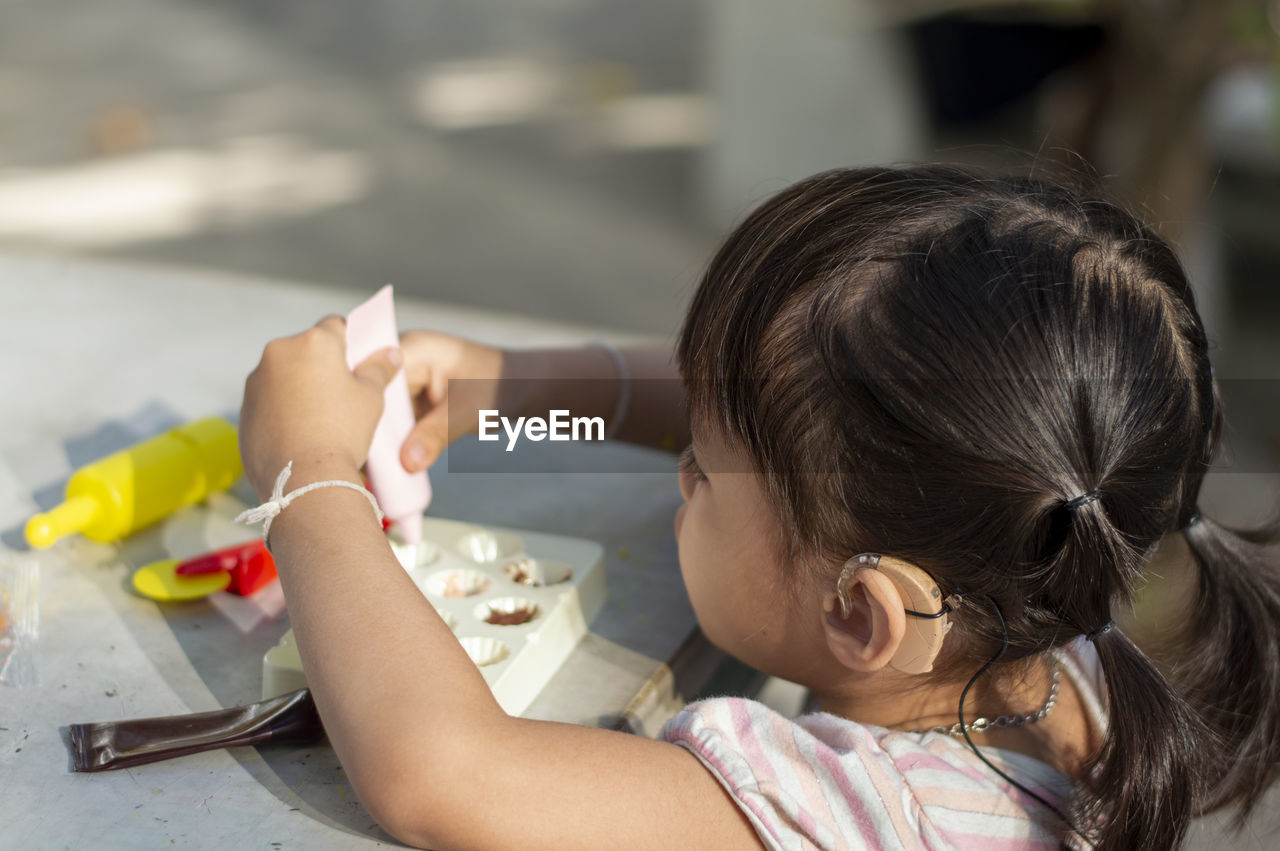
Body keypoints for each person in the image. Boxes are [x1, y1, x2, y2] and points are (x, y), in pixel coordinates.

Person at [236, 165, 1280, 850]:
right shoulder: (1045, 573)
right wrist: (506, 393)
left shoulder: (865, 818)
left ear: (862, 615)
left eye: (699, 468)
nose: (680, 467)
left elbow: (436, 771)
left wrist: (311, 475)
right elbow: (749, 410)